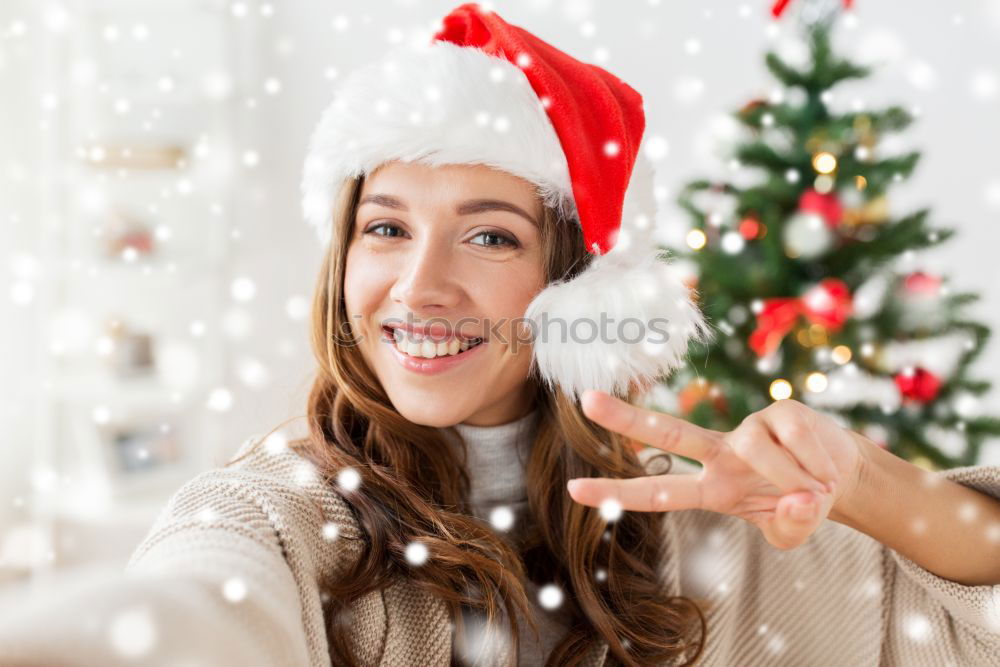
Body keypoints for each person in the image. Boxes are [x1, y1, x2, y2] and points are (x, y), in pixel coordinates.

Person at [3, 3, 1000, 666]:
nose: (418, 285)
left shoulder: (705, 523)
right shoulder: (273, 516)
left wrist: (871, 488)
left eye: (488, 234)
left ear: (571, 284)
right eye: (385, 227)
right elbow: (192, 615)